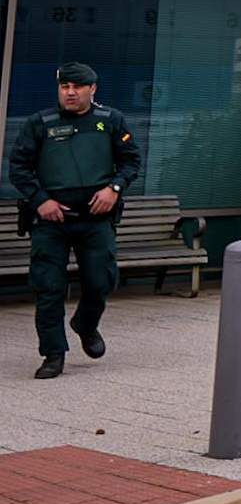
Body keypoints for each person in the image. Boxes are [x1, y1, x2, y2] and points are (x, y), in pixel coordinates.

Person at [6, 63, 141, 380]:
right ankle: (53, 354)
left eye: (77, 87)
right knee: (48, 287)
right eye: (65, 86)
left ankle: (86, 324)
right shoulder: (40, 123)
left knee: (101, 281)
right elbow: (19, 168)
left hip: (95, 218)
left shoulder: (110, 121)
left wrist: (114, 189)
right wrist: (41, 201)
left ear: (92, 89)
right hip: (51, 220)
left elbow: (131, 160)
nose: (70, 92)